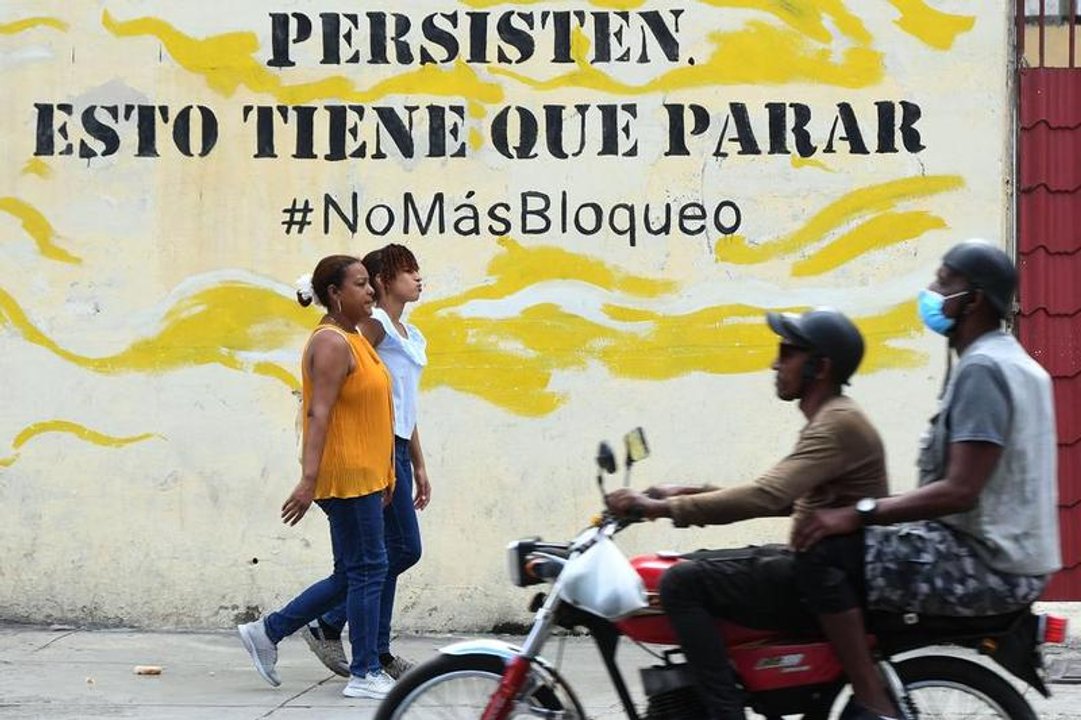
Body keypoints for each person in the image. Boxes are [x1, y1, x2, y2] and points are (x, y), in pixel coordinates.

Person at [790, 239, 1062, 720]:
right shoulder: (1014, 363)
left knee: (823, 553)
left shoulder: (983, 369)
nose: (932, 290)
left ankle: (872, 700)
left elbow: (960, 490)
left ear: (973, 300)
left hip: (986, 564)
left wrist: (858, 514)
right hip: (1012, 558)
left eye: (944, 281)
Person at [606, 308, 889, 720]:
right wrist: (685, 492)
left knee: (680, 583)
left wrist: (661, 508)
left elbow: (765, 495)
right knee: (688, 566)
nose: (775, 364)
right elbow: (785, 498)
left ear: (821, 366)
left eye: (787, 353)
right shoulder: (834, 418)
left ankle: (724, 712)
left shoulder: (837, 423)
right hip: (820, 568)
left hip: (825, 576)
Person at [236, 254, 397, 700]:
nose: (370, 291)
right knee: (370, 569)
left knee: (353, 572)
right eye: (360, 284)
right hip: (345, 476)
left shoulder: (354, 337)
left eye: (369, 283)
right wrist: (308, 480)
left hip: (364, 475)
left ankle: (268, 632)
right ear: (334, 293)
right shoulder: (330, 343)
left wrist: (386, 473)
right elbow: (317, 413)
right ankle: (365, 671)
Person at [300, 244, 430, 680]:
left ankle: (370, 646)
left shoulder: (408, 332)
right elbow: (352, 386)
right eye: (407, 271)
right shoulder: (372, 329)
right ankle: (346, 633)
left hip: (397, 448)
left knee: (388, 555)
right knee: (392, 553)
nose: (418, 278)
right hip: (375, 449)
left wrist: (419, 463)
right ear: (382, 280)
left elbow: (402, 404)